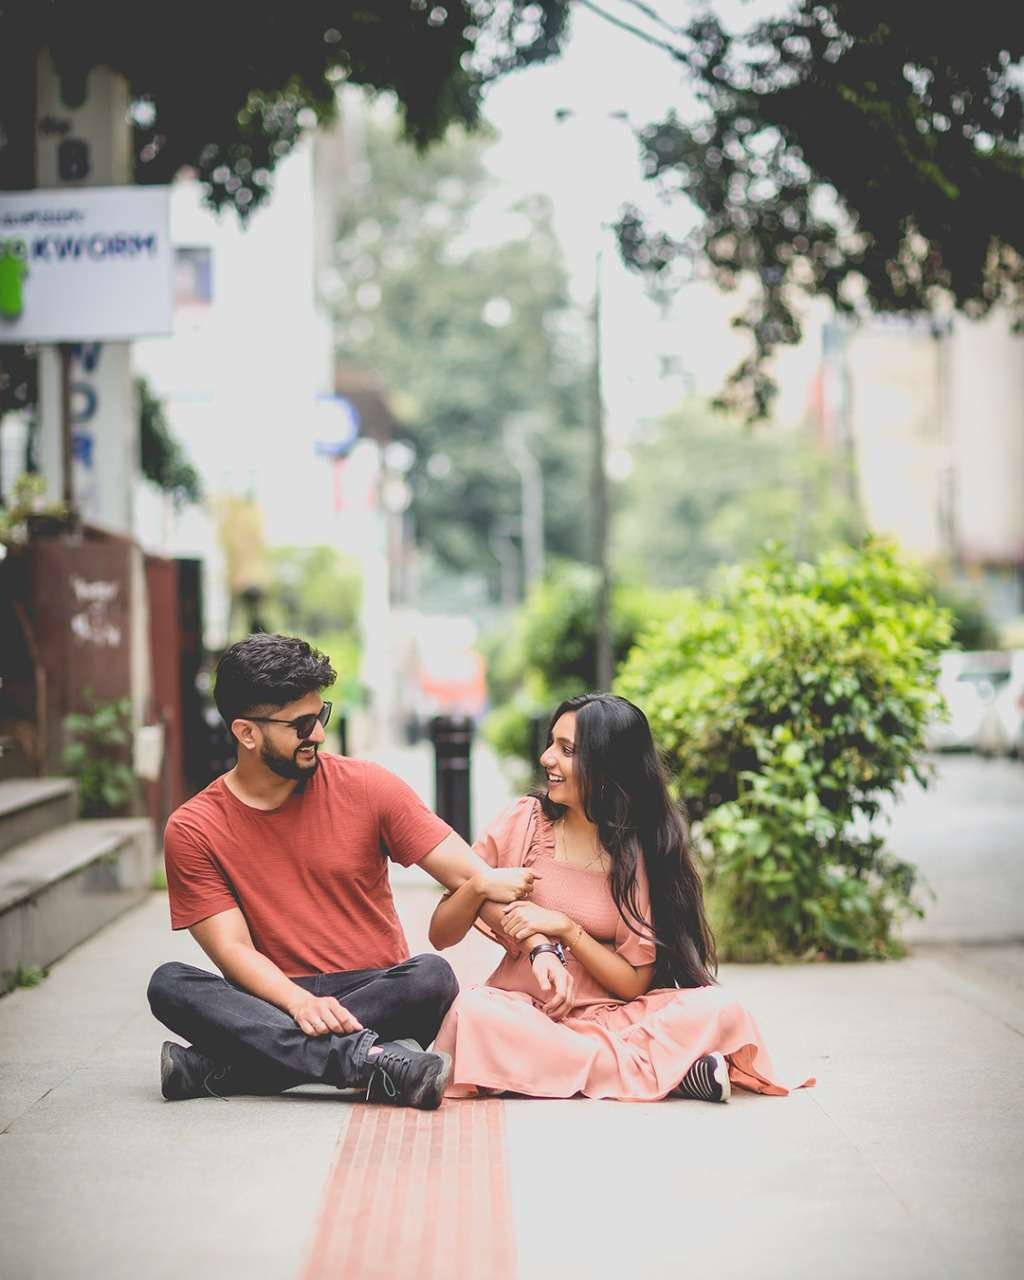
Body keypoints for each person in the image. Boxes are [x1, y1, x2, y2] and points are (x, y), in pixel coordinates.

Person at [147, 633, 569, 1109]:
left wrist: (540, 948)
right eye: (301, 725)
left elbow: (472, 877)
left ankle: (221, 1067)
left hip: (378, 990)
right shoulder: (194, 828)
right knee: (170, 984)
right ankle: (368, 1062)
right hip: (274, 994)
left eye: (320, 716)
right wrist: (298, 1004)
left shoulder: (368, 786)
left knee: (432, 977)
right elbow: (233, 951)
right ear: (247, 733)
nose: (318, 735)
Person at [429, 692, 814, 1102]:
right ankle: (667, 1071)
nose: (546, 758)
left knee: (721, 1008)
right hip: (525, 1012)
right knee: (474, 1013)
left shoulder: (634, 851)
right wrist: (480, 886)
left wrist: (566, 928)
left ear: (606, 766)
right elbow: (440, 934)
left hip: (615, 1019)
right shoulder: (522, 821)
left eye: (567, 750)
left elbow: (633, 985)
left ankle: (578, 1067)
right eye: (551, 743)